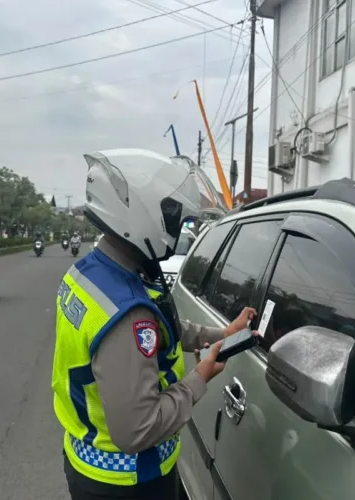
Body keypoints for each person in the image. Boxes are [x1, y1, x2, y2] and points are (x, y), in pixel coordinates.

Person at [52, 149, 256, 500]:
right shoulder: (126, 313)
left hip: (89, 460)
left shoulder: (92, 273)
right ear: (140, 215)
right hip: (128, 481)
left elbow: (161, 327)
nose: (177, 229)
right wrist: (199, 379)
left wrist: (223, 334)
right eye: (173, 218)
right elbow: (137, 429)